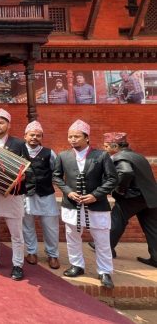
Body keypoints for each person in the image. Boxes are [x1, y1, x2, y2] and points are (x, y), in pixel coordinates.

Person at [53, 119, 118, 289]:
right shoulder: (63, 156)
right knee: (72, 237)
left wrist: (95, 195)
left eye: (76, 136)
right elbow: (56, 177)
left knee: (102, 240)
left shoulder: (101, 156)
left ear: (87, 137)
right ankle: (77, 265)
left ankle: (105, 271)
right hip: (71, 204)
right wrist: (68, 191)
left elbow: (112, 179)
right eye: (70, 136)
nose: (72, 139)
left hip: (97, 205)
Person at [101, 132, 157, 268]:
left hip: (133, 197)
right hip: (151, 197)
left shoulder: (120, 157)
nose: (104, 149)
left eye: (106, 146)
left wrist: (120, 189)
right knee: (152, 228)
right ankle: (156, 258)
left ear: (115, 146)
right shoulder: (138, 156)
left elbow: (126, 172)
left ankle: (106, 248)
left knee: (116, 219)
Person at [0, 108, 26, 281]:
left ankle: (18, 264)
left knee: (16, 233)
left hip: (12, 195)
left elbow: (28, 168)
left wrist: (22, 177)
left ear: (9, 125)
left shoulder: (19, 144)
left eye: (1, 122)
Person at [20, 121, 60, 270]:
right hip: (26, 194)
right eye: (32, 135)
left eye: (38, 135)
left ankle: (53, 254)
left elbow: (56, 172)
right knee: (27, 225)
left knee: (51, 227)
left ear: (42, 137)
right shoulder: (19, 152)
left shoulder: (49, 153)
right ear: (25, 136)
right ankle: (31, 252)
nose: (34, 138)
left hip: (46, 194)